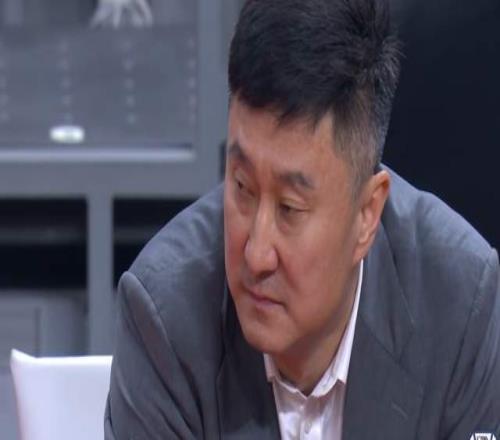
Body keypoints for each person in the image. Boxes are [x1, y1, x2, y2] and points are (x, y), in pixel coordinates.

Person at [104, 0, 500, 438]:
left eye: (290, 208)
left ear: (367, 214)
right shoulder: (165, 318)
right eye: (242, 187)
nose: (256, 254)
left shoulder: (459, 304)